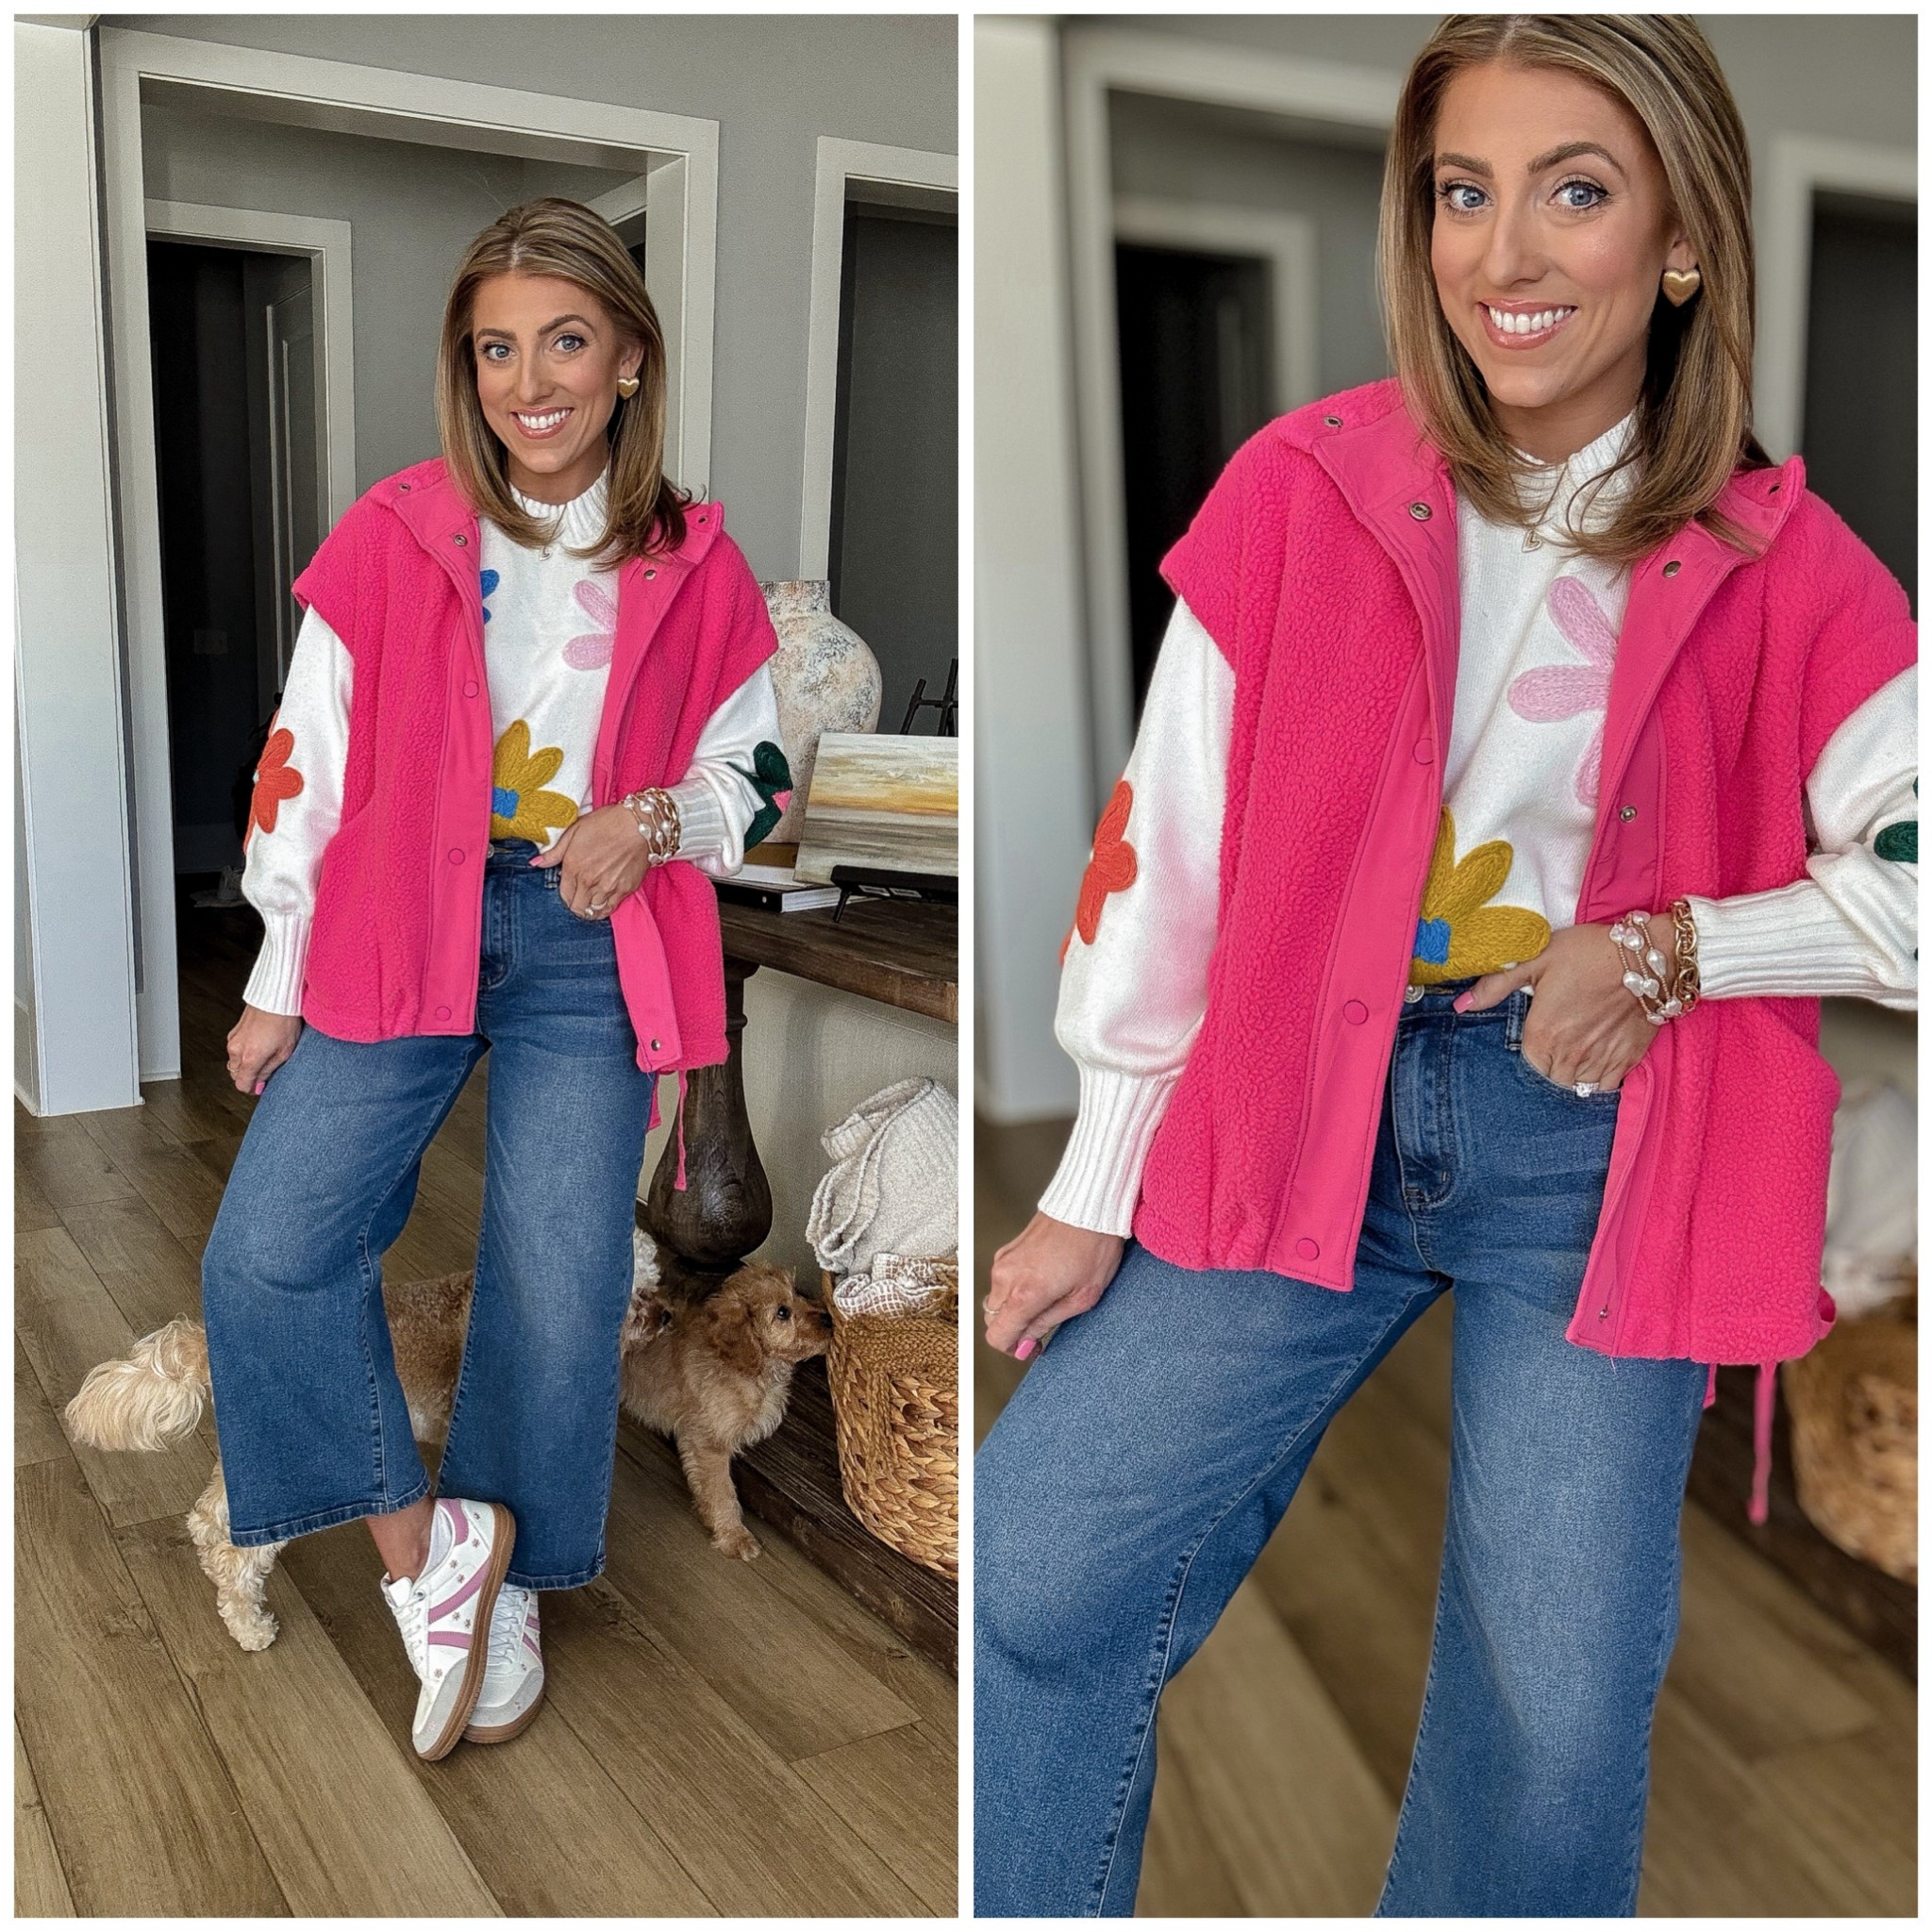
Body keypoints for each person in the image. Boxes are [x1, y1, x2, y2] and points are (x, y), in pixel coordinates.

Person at [975, 17, 1915, 1918]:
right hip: (1292, 1103)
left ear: (1675, 236)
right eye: (1459, 193)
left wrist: (1676, 948)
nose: (1503, 252)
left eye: (1573, 189)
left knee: (1553, 1704)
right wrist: (1091, 1185)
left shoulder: (1791, 563)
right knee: (1040, 1560)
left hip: (1596, 1149)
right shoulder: (1301, 486)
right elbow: (1170, 849)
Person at [201, 198, 791, 1760]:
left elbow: (761, 773)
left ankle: (510, 1577)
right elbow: (302, 764)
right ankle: (433, 1554)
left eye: (565, 341)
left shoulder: (695, 557)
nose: (529, 381)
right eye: (494, 349)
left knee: (561, 1279)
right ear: (466, 372)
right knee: (268, 1252)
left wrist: (651, 818)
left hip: (589, 941)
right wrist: (275, 971)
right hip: (402, 921)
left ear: (629, 358)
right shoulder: (397, 530)